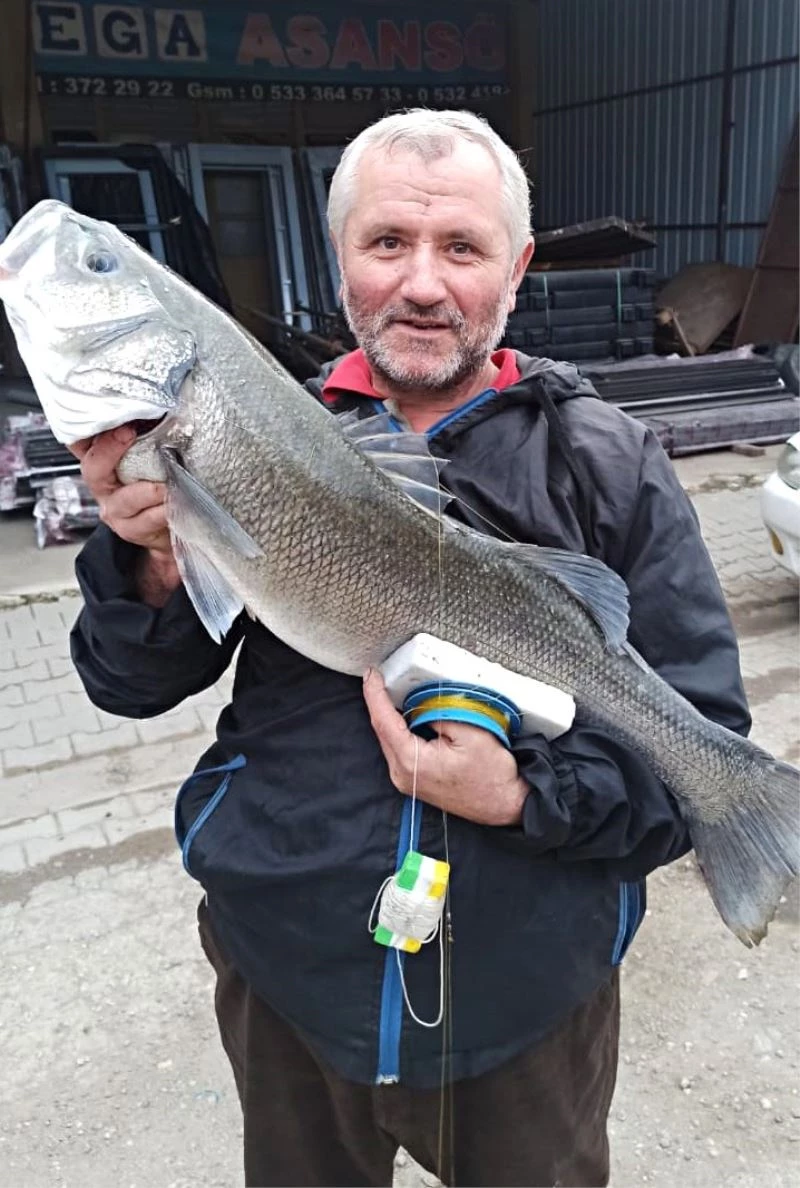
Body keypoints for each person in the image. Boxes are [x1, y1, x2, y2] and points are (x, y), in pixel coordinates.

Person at [68, 110, 750, 1188]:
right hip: (288, 978)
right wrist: (150, 559)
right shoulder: (251, 432)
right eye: (387, 242)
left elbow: (693, 746)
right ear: (339, 257)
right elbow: (125, 684)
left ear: (515, 269)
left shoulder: (610, 465)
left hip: (525, 1006)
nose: (422, 284)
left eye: (461, 248)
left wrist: (523, 796)